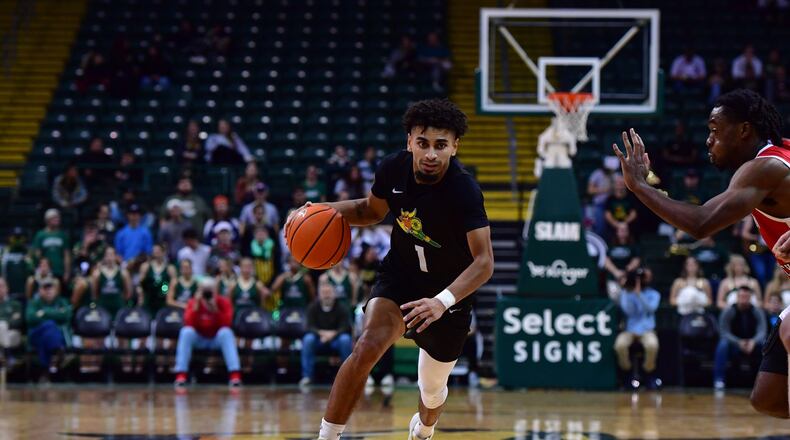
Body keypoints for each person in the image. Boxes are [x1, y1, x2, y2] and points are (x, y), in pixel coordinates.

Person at [285, 99, 493, 440]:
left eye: (441, 145)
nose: (431, 153)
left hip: (447, 297)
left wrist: (441, 301)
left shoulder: (464, 191)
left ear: (455, 147)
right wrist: (318, 211)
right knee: (367, 346)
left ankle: (424, 429)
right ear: (410, 141)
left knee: (431, 391)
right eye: (423, 143)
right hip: (401, 277)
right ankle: (327, 437)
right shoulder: (392, 168)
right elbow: (371, 210)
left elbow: (484, 262)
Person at [611, 89, 789, 416]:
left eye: (715, 130)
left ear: (744, 130)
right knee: (768, 398)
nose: (708, 140)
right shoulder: (780, 154)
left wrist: (640, 187)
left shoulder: (762, 168)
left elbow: (701, 223)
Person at [173, 278, 241, 388]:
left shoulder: (223, 302)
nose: (207, 293)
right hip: (199, 338)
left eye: (210, 290)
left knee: (227, 332)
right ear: (199, 290)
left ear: (215, 290)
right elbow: (188, 323)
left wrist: (215, 310)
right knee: (186, 332)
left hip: (216, 339)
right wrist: (196, 307)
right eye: (205, 290)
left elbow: (227, 323)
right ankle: (181, 375)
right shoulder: (193, 302)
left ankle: (234, 375)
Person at [613, 269, 661, 389]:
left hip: (647, 330)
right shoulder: (626, 293)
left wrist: (639, 295)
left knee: (652, 345)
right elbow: (628, 311)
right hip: (629, 329)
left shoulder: (654, 294)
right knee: (619, 345)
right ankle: (627, 371)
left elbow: (651, 309)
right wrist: (628, 292)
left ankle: (648, 371)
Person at [299, 282, 353, 387]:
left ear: (334, 294)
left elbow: (345, 327)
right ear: (319, 295)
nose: (326, 295)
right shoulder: (312, 307)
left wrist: (332, 334)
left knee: (345, 339)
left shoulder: (342, 308)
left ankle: (348, 376)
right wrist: (321, 333)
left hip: (336, 340)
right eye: (324, 293)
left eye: (329, 292)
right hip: (319, 340)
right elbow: (309, 326)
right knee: (308, 339)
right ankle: (307, 376)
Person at [714, 286, 767, 390]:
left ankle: (764, 381)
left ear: (750, 298)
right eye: (741, 296)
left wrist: (753, 341)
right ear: (737, 297)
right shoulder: (728, 311)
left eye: (746, 297)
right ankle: (719, 380)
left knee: (765, 344)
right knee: (722, 345)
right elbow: (724, 332)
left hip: (752, 344)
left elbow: (762, 331)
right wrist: (739, 342)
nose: (744, 299)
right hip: (734, 344)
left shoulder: (757, 312)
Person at [26, 279, 71, 381]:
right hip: (36, 334)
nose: (48, 291)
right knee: (50, 325)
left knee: (46, 336)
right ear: (40, 291)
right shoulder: (34, 302)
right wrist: (55, 314)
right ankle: (57, 351)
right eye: (45, 288)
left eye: (51, 288)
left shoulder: (62, 302)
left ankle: (45, 370)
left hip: (52, 336)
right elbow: (30, 318)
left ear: (56, 290)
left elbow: (66, 316)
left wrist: (44, 312)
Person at [91, 247, 132, 319]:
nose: (109, 258)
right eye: (107, 255)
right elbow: (94, 294)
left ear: (116, 256)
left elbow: (128, 293)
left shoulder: (123, 273)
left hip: (118, 306)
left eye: (111, 255)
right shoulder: (97, 273)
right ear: (104, 257)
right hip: (103, 306)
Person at [31, 209, 70, 284]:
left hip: (60, 270)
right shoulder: (40, 235)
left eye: (58, 217)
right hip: (46, 272)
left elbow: (66, 255)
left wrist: (67, 272)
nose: (58, 219)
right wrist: (39, 269)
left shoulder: (63, 235)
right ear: (47, 220)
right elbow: (37, 254)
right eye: (55, 217)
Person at [137, 244, 177, 315]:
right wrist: (141, 298)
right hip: (149, 298)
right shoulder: (146, 267)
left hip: (163, 297)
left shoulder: (170, 268)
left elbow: (173, 286)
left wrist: (167, 295)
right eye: (154, 251)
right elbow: (140, 284)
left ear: (163, 252)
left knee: (164, 284)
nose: (156, 253)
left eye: (158, 251)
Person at [0, 278, 23, 357]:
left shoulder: (15, 304)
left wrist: (4, 322)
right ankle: (6, 357)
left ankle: (5, 355)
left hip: (12, 333)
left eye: (1, 286)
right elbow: (12, 320)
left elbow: (17, 322)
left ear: (7, 288)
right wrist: (8, 319)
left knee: (2, 325)